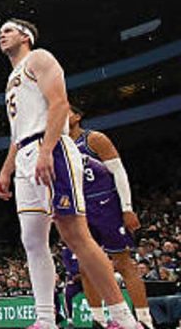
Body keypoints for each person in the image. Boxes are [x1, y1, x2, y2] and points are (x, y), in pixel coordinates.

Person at [0, 19, 139, 329]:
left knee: (76, 236)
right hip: (25, 156)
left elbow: (59, 103)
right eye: (0, 32)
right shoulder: (11, 79)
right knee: (32, 241)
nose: (1, 34)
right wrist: (6, 170)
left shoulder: (40, 58)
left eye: (8, 29)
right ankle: (45, 319)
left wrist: (46, 150)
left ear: (26, 35)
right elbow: (16, 134)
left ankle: (123, 319)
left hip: (52, 148)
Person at [63, 104, 151, 328]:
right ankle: (98, 321)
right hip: (80, 210)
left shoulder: (94, 139)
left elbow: (119, 172)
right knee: (85, 267)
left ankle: (144, 319)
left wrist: (127, 207)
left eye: (66, 110)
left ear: (77, 116)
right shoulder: (60, 148)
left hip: (106, 204)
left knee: (123, 264)